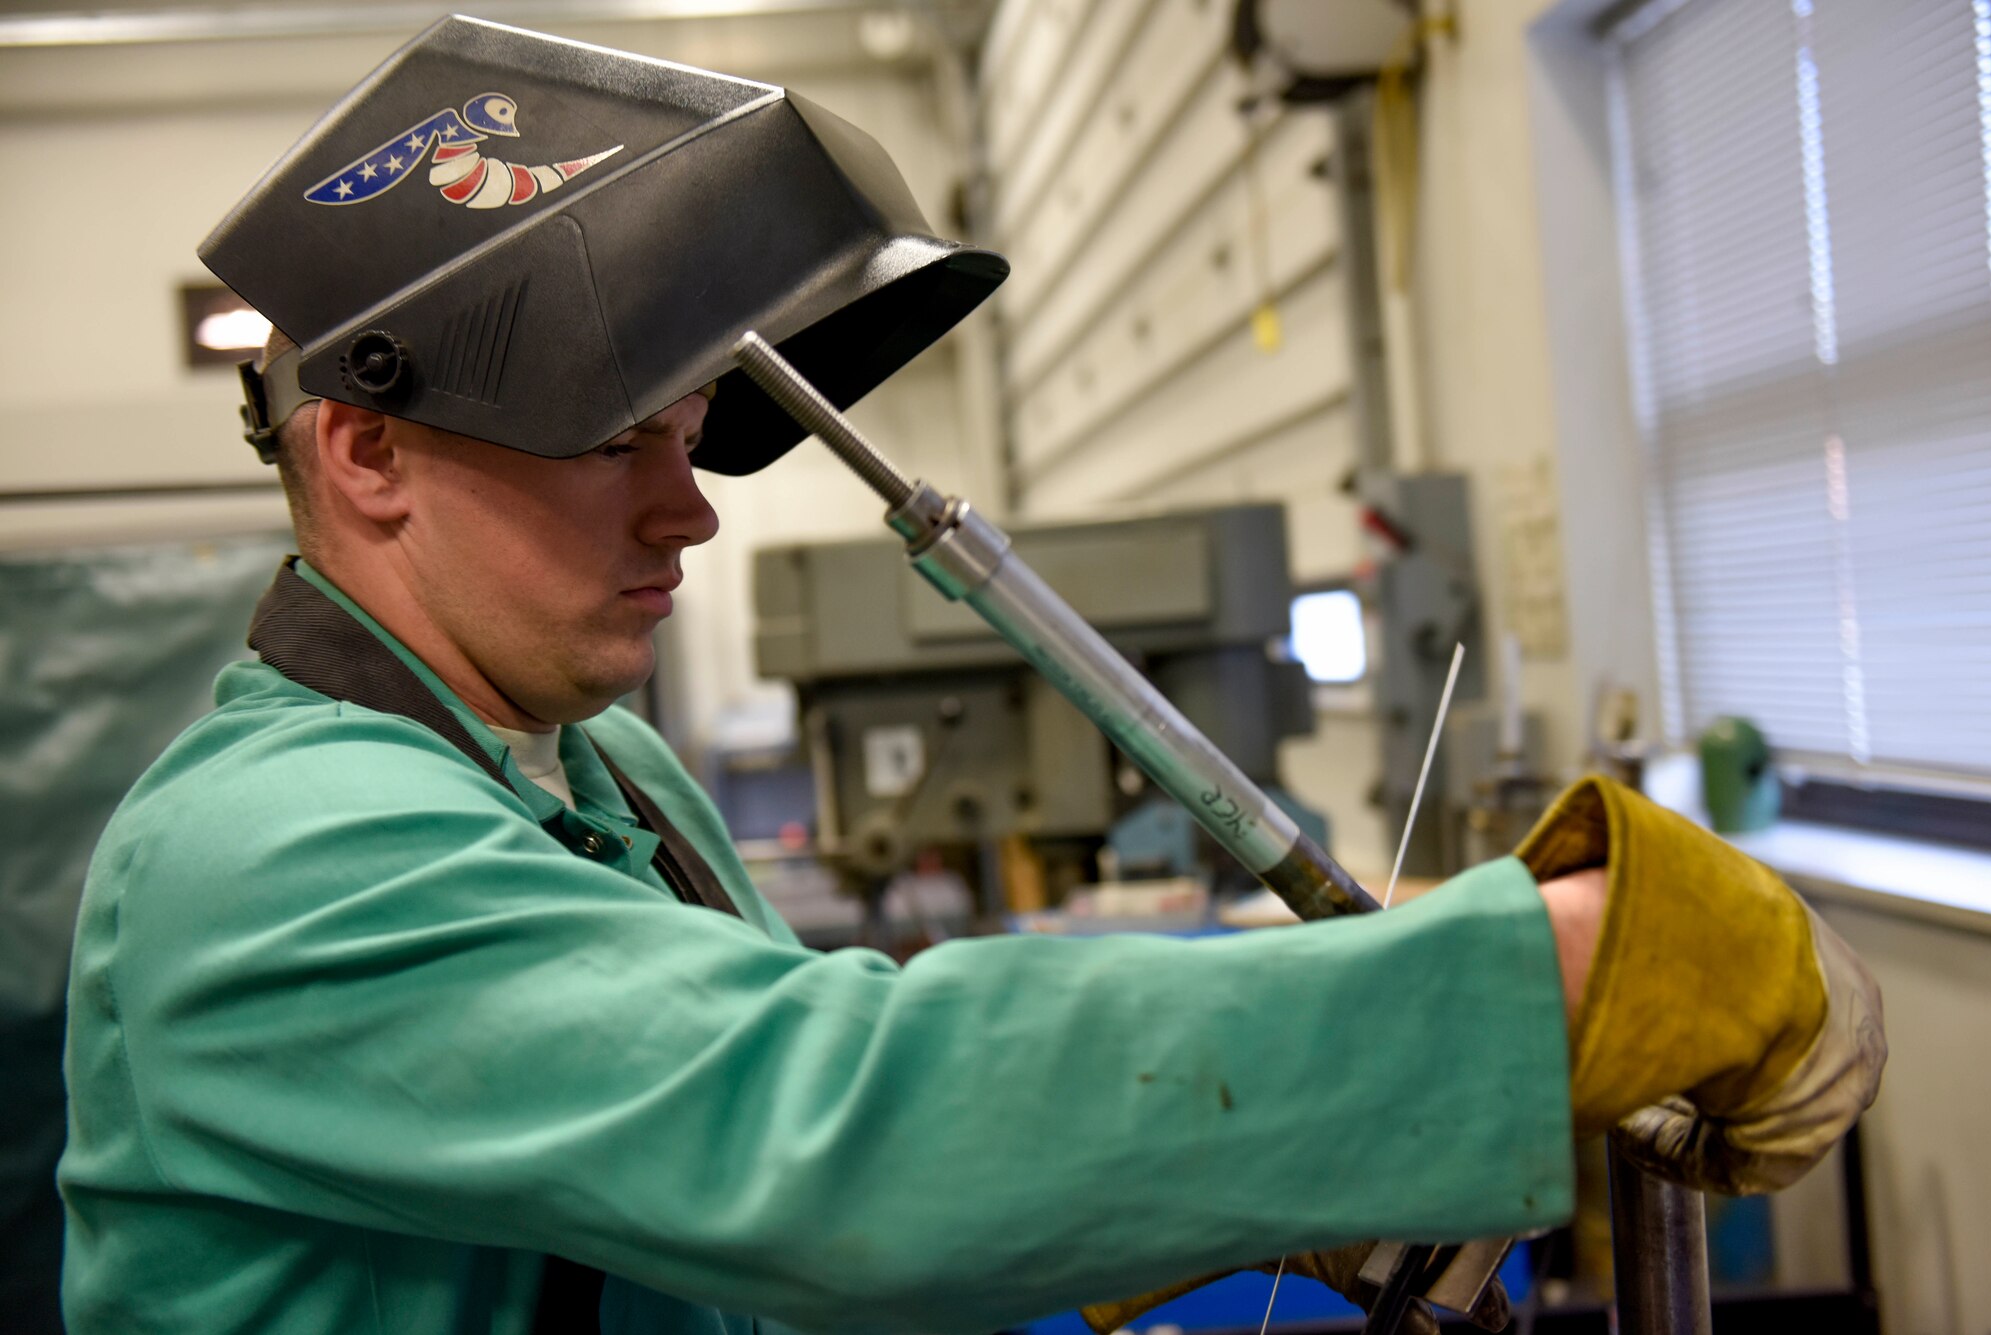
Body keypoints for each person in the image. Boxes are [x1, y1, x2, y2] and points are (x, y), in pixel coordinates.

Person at [60, 17, 1884, 1335]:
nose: (687, 510)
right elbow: (806, 1128)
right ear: (368, 453)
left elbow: (729, 1208)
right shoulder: (274, 855)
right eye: (624, 433)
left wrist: (1154, 1194)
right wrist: (1524, 985)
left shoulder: (595, 774)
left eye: (692, 432)